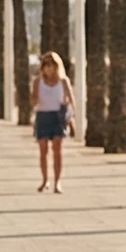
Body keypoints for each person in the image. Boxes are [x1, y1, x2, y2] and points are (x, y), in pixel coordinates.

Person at [32, 52, 74, 193]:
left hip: (58, 117)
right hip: (43, 116)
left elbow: (71, 100)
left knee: (57, 150)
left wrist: (70, 117)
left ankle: (57, 182)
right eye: (46, 65)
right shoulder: (38, 82)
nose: (49, 68)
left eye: (52, 65)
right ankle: (45, 180)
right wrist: (35, 98)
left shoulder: (63, 82)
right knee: (43, 149)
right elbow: (33, 101)